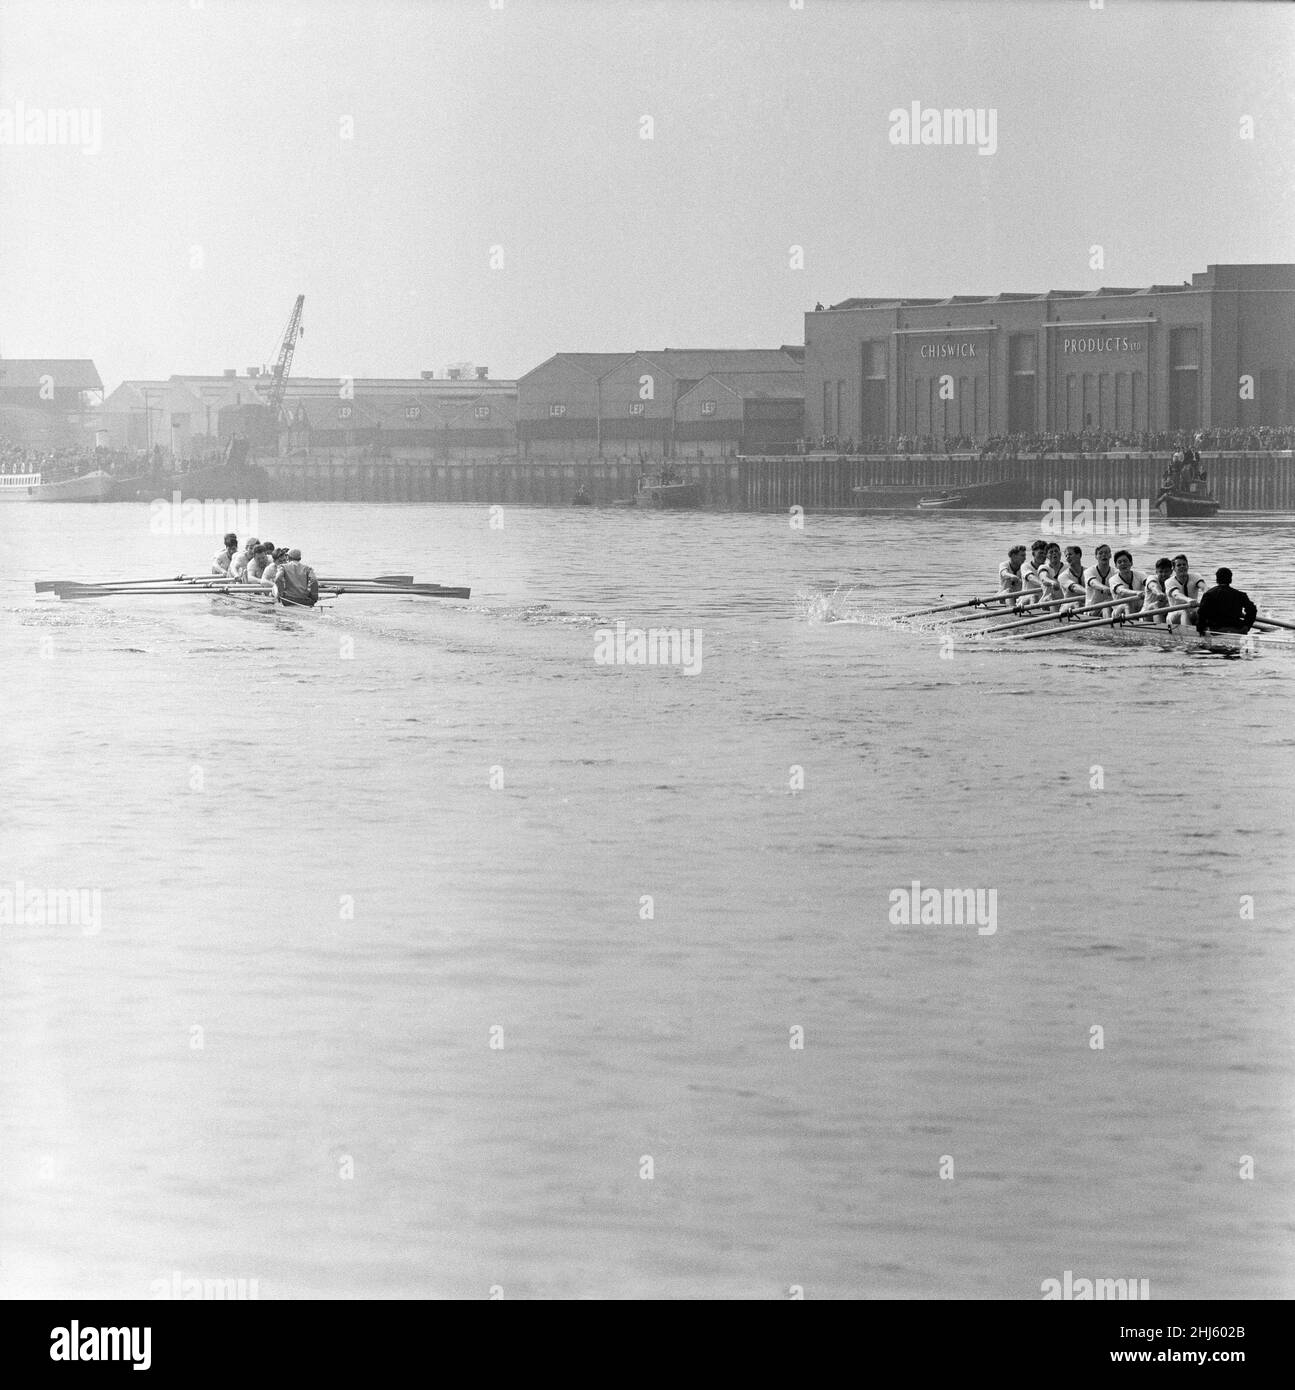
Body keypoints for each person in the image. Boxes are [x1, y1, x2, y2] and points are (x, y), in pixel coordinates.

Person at [1195, 568, 1257, 636]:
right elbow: (1253, 610)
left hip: (1216, 631)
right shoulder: (1240, 595)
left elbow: (1201, 613)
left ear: (1217, 580)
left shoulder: (1209, 594)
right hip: (1236, 629)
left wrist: (1200, 630)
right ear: (1230, 580)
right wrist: (1246, 626)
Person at [1165, 552, 1207, 627]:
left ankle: (1209, 632)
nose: (1182, 567)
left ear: (1188, 566)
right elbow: (1176, 594)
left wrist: (1209, 595)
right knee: (1184, 612)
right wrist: (1188, 600)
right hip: (1174, 614)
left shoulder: (1195, 576)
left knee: (1204, 610)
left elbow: (1204, 587)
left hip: (1192, 611)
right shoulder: (1169, 582)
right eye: (1179, 565)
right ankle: (1188, 635)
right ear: (1174, 569)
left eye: (1184, 564)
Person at [1109, 549, 1147, 618]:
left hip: (1139, 610)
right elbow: (1122, 591)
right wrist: (1137, 593)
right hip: (1120, 612)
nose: (1123, 564)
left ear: (1131, 563)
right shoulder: (1113, 580)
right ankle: (1130, 626)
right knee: (1126, 606)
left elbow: (1149, 583)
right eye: (1119, 562)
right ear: (1116, 566)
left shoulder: (1141, 574)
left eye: (1125, 561)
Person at [1083, 543, 1116, 609]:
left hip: (1110, 607)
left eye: (1106, 553)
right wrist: (1104, 588)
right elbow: (1093, 583)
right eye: (1100, 553)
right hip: (1092, 609)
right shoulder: (1089, 571)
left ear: (1110, 555)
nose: (1104, 555)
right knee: (1106, 606)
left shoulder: (1116, 572)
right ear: (1096, 556)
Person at [1056, 545, 1086, 611]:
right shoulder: (1062, 576)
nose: (1067, 557)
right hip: (1066, 606)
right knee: (1077, 604)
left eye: (1070, 554)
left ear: (1079, 555)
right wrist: (1088, 592)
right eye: (1066, 556)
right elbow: (1074, 587)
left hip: (1085, 604)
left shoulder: (1087, 572)